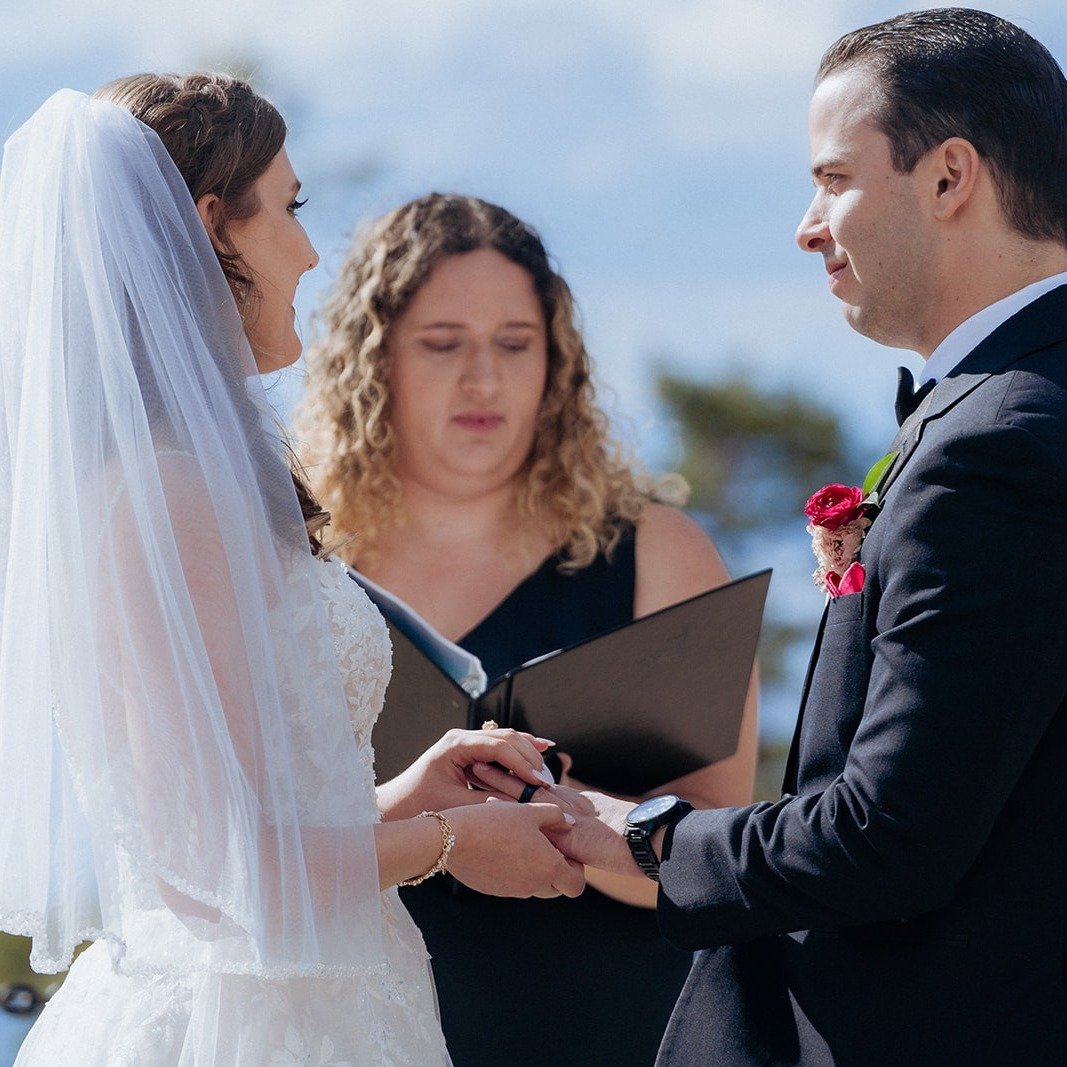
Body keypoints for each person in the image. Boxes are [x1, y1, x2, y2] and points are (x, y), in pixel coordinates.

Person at [509, 8, 1067, 1064]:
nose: (806, 226)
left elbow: (888, 834)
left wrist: (638, 831)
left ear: (949, 179)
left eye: (832, 178)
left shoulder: (993, 443)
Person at [0, 76, 584, 1066]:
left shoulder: (195, 476)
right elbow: (210, 877)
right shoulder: (167, 494)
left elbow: (259, 822)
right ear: (210, 225)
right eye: (292, 205)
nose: (311, 248)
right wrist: (455, 844)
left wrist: (409, 797)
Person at [295, 192, 758, 1065]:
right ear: (372, 360)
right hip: (357, 1029)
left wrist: (570, 819)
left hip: (612, 1029)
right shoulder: (297, 561)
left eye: (514, 344)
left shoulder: (656, 549)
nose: (484, 379)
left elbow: (722, 847)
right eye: (443, 345)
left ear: (557, 364)